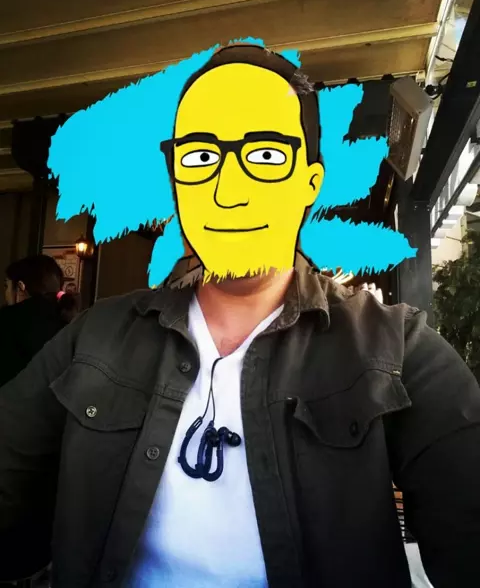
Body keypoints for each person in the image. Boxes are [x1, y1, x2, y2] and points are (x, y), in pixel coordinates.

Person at [1, 45, 480, 588]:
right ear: (176, 181)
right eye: (201, 158)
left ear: (310, 182)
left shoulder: (393, 347)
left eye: (266, 156)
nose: (228, 192)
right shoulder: (96, 337)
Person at [0, 254, 78, 388]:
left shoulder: (6, 321)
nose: (5, 293)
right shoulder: (68, 323)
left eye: (6, 286)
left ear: (20, 286)